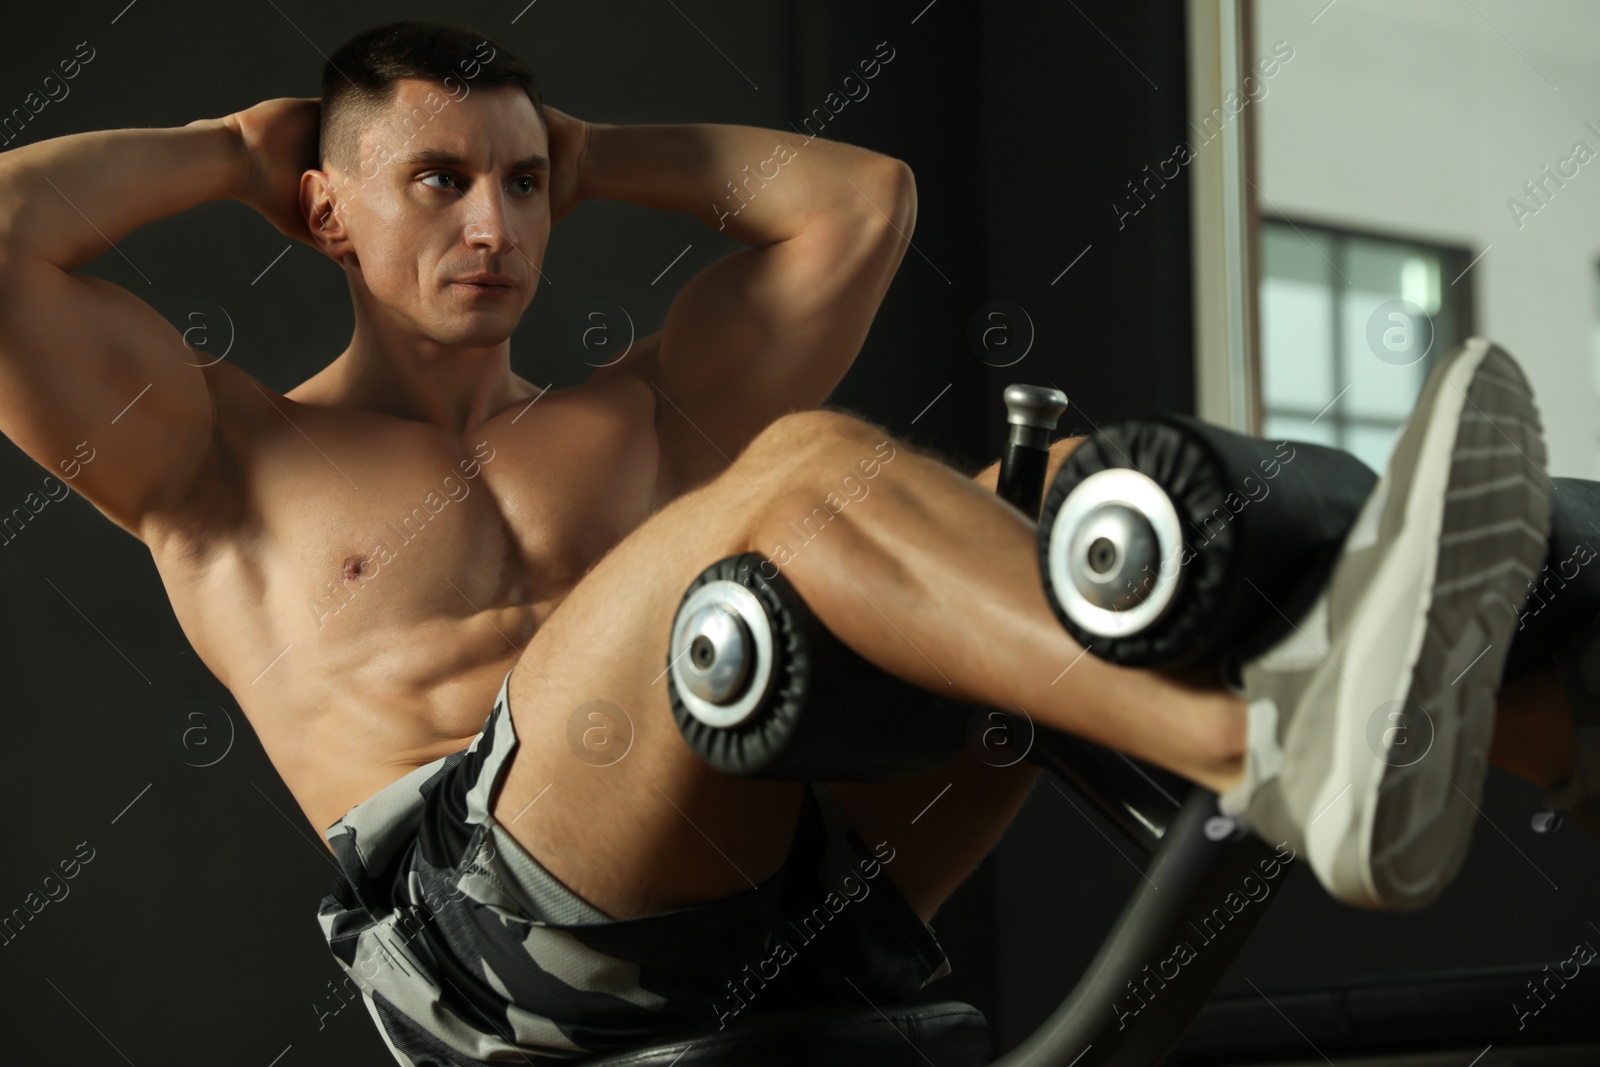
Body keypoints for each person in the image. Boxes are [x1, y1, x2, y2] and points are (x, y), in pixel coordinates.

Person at [0, 18, 1589, 1064]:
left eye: (525, 185)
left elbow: (861, 203)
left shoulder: (632, 416)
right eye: (435, 180)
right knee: (806, 481)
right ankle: (1266, 753)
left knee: (1058, 505)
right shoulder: (215, 453)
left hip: (782, 889)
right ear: (329, 213)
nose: (494, 226)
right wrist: (230, 144)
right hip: (500, 963)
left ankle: (1540, 723)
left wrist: (595, 143)